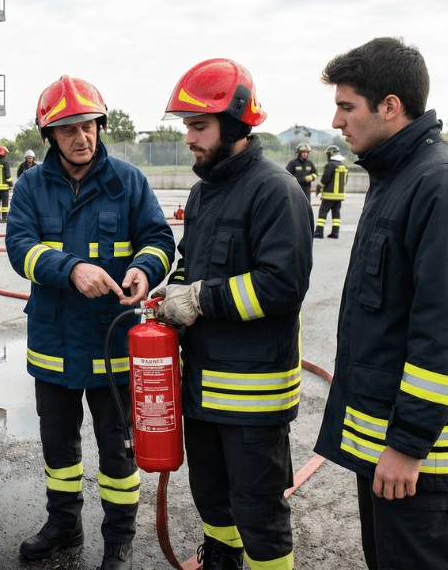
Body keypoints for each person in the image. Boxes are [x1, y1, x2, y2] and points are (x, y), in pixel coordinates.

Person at [6, 75, 175, 570]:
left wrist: (145, 269)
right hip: (54, 342)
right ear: (49, 136)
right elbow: (19, 247)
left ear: (100, 125)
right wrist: (71, 269)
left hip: (113, 342)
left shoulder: (128, 180)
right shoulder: (30, 185)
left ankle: (119, 541)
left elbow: (159, 239)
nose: (82, 137)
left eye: (89, 126)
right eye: (68, 129)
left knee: (119, 453)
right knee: (58, 448)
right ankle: (64, 525)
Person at [154, 59, 313, 570]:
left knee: (259, 515)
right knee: (211, 498)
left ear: (236, 124)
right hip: (202, 389)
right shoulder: (203, 192)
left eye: (199, 126)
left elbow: (282, 285)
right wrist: (173, 291)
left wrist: (201, 299)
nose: (188, 138)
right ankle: (221, 559)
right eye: (187, 126)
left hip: (253, 398)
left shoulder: (276, 191)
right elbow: (191, 265)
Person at [313, 37, 448, 570]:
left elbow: (440, 333)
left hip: (417, 462)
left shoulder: (435, 185)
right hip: (385, 449)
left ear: (390, 106)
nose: (337, 121)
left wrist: (409, 445)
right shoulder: (396, 176)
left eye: (347, 106)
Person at [314, 145, 349, 239]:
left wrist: (319, 187)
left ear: (330, 154)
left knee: (322, 213)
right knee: (336, 214)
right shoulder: (344, 166)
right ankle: (335, 233)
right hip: (339, 196)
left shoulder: (330, 165)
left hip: (329, 195)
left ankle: (319, 232)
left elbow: (325, 178)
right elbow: (345, 181)